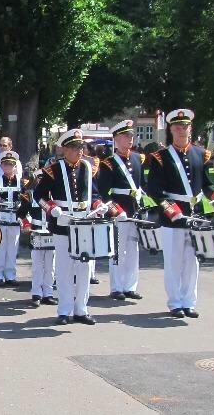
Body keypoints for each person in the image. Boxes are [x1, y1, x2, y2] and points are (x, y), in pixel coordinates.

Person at [145, 109, 214, 319]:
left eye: (185, 126)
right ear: (171, 130)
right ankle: (175, 303)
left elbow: (206, 185)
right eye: (177, 127)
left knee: (192, 261)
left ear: (190, 128)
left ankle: (189, 302)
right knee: (174, 261)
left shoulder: (201, 154)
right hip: (171, 216)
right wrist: (171, 210)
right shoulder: (160, 158)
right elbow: (153, 190)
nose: (181, 130)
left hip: (195, 214)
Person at [35, 128, 114, 326]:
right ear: (65, 150)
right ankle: (64, 310)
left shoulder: (87, 168)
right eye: (75, 148)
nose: (79, 151)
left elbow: (94, 195)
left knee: (84, 267)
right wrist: (52, 209)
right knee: (64, 268)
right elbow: (39, 196)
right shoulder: (53, 169)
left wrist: (98, 206)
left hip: (85, 223)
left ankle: (81, 309)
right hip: (63, 223)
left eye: (81, 147)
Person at [97, 120, 144, 301]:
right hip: (119, 210)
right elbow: (102, 193)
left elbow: (141, 186)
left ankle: (130, 286)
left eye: (131, 136)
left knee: (133, 250)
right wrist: (115, 210)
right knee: (118, 250)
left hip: (134, 209)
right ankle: (117, 287)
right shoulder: (109, 163)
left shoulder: (137, 158)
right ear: (116, 139)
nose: (129, 139)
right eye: (126, 136)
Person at [21, 168, 57, 307]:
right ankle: (36, 293)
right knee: (37, 265)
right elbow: (21, 213)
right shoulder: (30, 196)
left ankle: (48, 293)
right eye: (40, 179)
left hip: (51, 231)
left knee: (50, 265)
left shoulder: (55, 196)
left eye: (45, 179)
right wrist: (26, 225)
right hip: (36, 232)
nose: (42, 181)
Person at [0, 150, 25, 287]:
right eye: (5, 165)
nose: (8, 167)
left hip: (15, 218)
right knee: (0, 247)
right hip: (1, 216)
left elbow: (26, 200)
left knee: (13, 248)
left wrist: (22, 215)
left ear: (15, 166)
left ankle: (10, 275)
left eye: (11, 165)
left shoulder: (22, 182)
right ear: (1, 166)